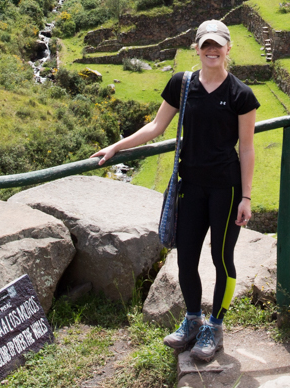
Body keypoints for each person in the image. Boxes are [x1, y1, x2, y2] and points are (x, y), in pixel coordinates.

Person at [93, 19, 257, 363]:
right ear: (196, 48)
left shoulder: (241, 94)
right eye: (206, 45)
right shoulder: (182, 84)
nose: (212, 50)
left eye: (218, 45)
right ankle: (192, 319)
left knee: (221, 259)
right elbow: (156, 126)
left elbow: (247, 148)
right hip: (190, 186)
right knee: (185, 259)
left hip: (225, 190)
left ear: (229, 49)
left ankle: (215, 325)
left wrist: (246, 196)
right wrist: (115, 148)